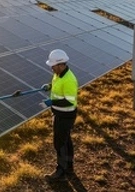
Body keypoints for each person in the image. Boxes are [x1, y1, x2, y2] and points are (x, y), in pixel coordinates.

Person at [41, 49, 78, 181]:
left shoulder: (69, 79)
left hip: (65, 115)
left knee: (60, 142)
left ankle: (61, 172)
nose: (51, 68)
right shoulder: (59, 74)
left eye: (53, 66)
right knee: (66, 140)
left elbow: (69, 101)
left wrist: (51, 102)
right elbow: (58, 86)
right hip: (60, 113)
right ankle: (69, 167)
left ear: (61, 64)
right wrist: (50, 86)